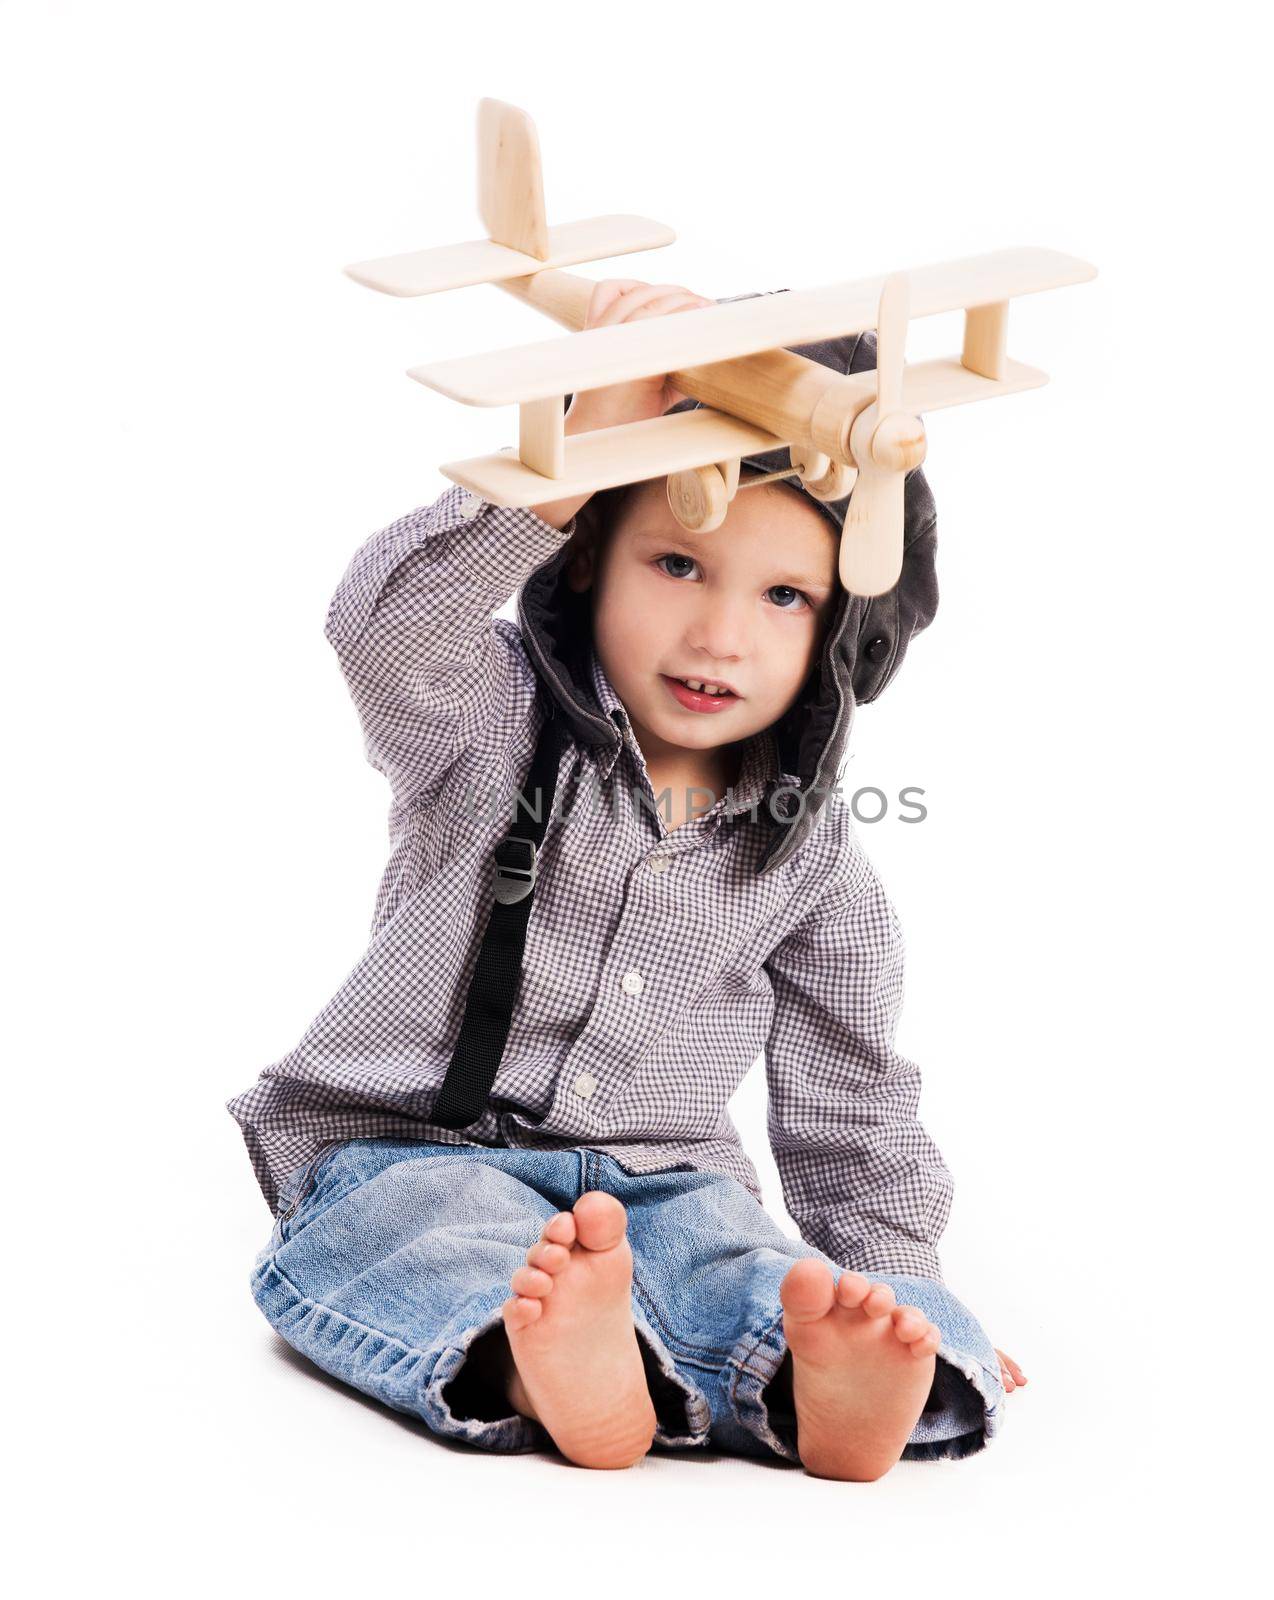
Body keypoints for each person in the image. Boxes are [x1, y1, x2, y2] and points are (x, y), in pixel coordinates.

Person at [226, 278, 1026, 1481]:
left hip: (666, 1188)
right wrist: (582, 443)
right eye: (677, 564)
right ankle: (546, 1358)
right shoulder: (484, 723)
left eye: (783, 595)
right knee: (418, 1240)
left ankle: (838, 1385)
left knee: (744, 1267)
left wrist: (900, 1278)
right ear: (591, 553)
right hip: (413, 1152)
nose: (721, 637)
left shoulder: (812, 861)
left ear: (840, 633)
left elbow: (853, 1104)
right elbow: (380, 631)